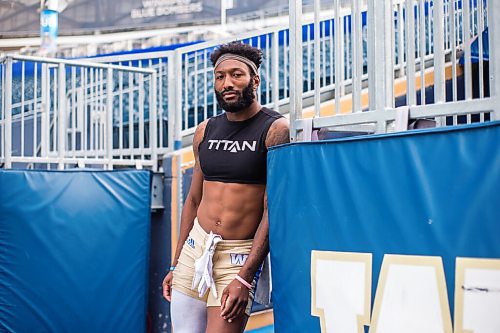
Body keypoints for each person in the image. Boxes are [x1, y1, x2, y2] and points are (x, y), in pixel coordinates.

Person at [162, 41, 289, 333]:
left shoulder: (275, 129)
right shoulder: (205, 130)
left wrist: (245, 276)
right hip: (195, 250)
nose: (227, 83)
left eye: (236, 75)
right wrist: (175, 262)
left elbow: (273, 210)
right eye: (220, 77)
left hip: (238, 256)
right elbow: (193, 201)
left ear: (255, 80)